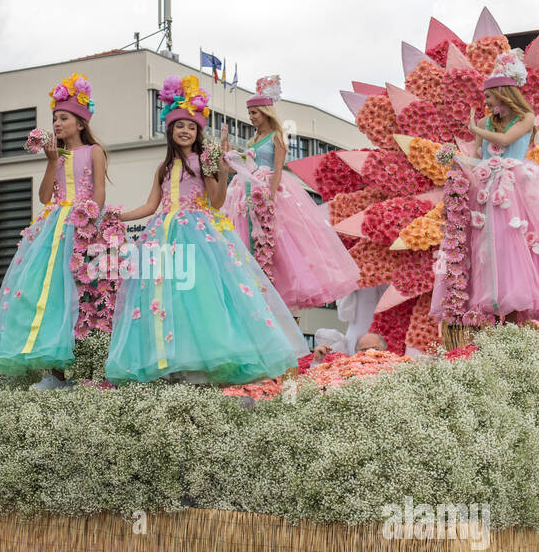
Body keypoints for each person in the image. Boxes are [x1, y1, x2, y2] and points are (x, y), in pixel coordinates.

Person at [105, 76, 308, 384]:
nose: (185, 131)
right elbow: (150, 206)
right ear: (170, 131)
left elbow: (216, 202)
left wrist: (221, 172)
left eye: (191, 126)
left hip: (196, 234)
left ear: (198, 131)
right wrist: (118, 215)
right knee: (167, 299)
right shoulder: (163, 168)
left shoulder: (205, 159)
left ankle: (204, 365)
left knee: (197, 295)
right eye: (179, 126)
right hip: (161, 236)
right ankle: (174, 364)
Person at [431, 49, 539, 325]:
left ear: (503, 93)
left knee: (514, 240)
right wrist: (455, 160)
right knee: (486, 246)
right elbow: (479, 158)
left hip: (515, 186)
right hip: (486, 188)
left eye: (488, 96)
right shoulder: (485, 122)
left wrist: (475, 129)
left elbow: (508, 137)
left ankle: (515, 308)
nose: (485, 102)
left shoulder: (526, 118)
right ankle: (493, 305)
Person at [0, 73, 112, 385]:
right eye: (54, 118)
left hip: (83, 225)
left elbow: (98, 191)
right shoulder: (56, 154)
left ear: (80, 123)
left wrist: (92, 222)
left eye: (64, 118)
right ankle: (52, 372)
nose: (57, 123)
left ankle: (91, 368)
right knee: (47, 293)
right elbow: (44, 196)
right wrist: (51, 161)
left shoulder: (94, 151)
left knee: (85, 295)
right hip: (54, 227)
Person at [221, 75, 360, 310]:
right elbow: (237, 164)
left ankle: (276, 289)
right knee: (249, 238)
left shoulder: (276, 136)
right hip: (247, 191)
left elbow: (277, 168)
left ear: (266, 112)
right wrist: (225, 143)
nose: (252, 117)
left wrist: (270, 197)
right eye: (250, 113)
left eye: (255, 112)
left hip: (268, 190)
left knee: (280, 242)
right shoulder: (252, 140)